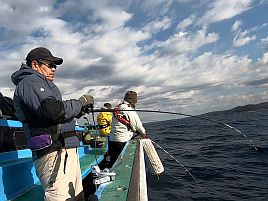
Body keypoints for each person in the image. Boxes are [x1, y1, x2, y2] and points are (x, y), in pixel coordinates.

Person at [11, 47, 94, 201]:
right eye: (50, 64)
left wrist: (78, 112)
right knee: (60, 196)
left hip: (64, 151)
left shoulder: (41, 83)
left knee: (76, 195)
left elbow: (54, 116)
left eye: (55, 66)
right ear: (35, 64)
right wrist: (79, 103)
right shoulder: (29, 81)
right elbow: (51, 110)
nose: (54, 69)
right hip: (53, 153)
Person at [108, 90, 147, 168]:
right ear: (134, 101)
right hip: (122, 141)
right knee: (120, 164)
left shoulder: (118, 107)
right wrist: (144, 134)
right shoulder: (129, 110)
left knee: (113, 160)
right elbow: (138, 126)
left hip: (112, 139)